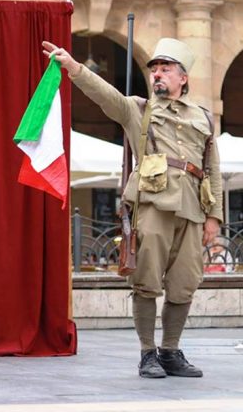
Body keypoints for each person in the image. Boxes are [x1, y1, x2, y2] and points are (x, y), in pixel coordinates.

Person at [43, 38, 223, 379]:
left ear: (183, 77)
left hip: (192, 210)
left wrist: (214, 216)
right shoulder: (138, 109)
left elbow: (212, 168)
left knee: (185, 284)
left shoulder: (202, 117)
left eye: (166, 69)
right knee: (146, 283)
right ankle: (147, 353)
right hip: (153, 205)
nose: (158, 74)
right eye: (154, 69)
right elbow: (105, 95)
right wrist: (75, 68)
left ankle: (170, 351)